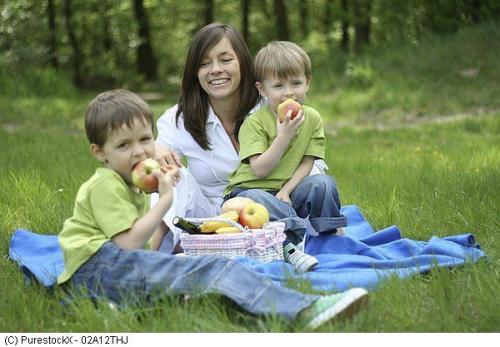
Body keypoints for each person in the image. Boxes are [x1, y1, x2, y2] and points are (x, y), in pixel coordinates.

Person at [57, 89, 369, 330]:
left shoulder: (125, 182)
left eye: (144, 139)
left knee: (188, 277)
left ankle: (111, 302)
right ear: (99, 152)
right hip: (97, 267)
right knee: (216, 268)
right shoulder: (106, 185)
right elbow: (127, 244)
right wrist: (165, 199)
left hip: (102, 269)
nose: (138, 151)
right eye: (124, 145)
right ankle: (304, 310)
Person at [154, 23, 331, 255]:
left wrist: (292, 192)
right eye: (205, 63)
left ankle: (289, 237)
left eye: (225, 60)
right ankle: (149, 253)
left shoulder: (272, 103)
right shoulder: (181, 117)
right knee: (172, 174)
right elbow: (151, 154)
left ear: (242, 64)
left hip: (277, 206)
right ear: (195, 73)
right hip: (213, 212)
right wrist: (154, 149)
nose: (215, 69)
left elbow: (312, 162)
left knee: (307, 188)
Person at [223, 41, 345, 273]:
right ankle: (291, 242)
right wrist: (284, 137)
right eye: (278, 85)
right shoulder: (255, 122)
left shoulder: (311, 117)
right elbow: (259, 170)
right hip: (250, 191)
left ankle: (331, 236)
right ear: (262, 89)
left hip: (285, 192)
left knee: (323, 184)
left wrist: (287, 190)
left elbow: (308, 161)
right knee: (256, 199)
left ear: (307, 82)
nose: (289, 92)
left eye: (296, 83)